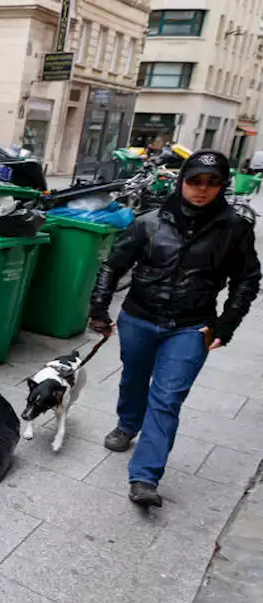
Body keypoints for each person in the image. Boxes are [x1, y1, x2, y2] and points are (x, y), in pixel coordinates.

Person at [90, 149, 261, 508]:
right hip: (139, 318)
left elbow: (247, 280)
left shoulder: (234, 230)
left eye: (212, 183)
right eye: (195, 180)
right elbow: (113, 265)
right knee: (134, 379)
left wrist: (225, 326)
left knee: (167, 400)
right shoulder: (149, 222)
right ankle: (127, 424)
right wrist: (99, 309)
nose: (202, 189)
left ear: (223, 186)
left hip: (191, 327)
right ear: (182, 180)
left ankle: (145, 477)